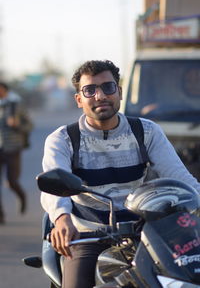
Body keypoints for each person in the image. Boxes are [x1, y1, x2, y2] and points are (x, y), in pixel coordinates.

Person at [41, 60, 200, 288]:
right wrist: (62, 218)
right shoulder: (63, 139)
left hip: (145, 231)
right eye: (90, 90)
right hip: (88, 234)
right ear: (79, 99)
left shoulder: (146, 131)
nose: (100, 96)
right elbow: (53, 188)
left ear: (120, 92)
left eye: (108, 87)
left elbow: (180, 179)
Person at [0, 82, 33, 224]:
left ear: (5, 90)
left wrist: (17, 125)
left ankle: (22, 196)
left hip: (13, 149)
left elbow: (30, 125)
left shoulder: (16, 105)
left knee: (11, 182)